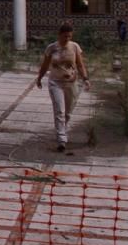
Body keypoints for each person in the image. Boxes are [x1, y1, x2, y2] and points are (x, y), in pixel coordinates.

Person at [35, 21, 90, 152]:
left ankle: (63, 131)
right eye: (65, 36)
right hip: (55, 83)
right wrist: (39, 78)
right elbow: (45, 65)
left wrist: (86, 79)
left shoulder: (75, 47)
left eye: (69, 36)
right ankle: (61, 139)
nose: (67, 39)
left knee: (68, 112)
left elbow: (80, 65)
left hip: (71, 83)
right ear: (59, 35)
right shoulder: (52, 48)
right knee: (59, 110)